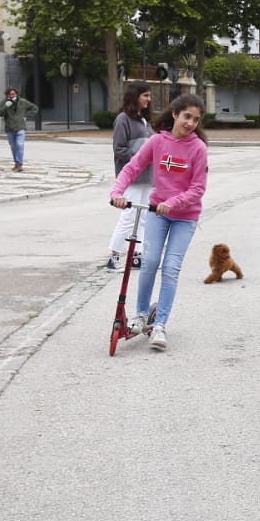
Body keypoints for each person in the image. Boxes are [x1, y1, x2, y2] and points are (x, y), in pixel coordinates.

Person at [109, 93, 208, 353]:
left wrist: (174, 203)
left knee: (171, 268)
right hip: (157, 211)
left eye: (195, 120)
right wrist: (117, 193)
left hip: (185, 217)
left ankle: (160, 324)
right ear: (175, 114)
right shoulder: (157, 142)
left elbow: (198, 189)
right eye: (187, 116)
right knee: (150, 261)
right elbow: (131, 167)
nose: (190, 123)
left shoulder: (198, 148)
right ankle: (141, 315)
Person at [105, 81, 153, 271]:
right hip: (133, 177)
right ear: (135, 97)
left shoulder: (144, 120)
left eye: (149, 95)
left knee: (142, 218)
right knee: (129, 216)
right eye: (146, 95)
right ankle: (114, 257)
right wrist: (141, 158)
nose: (149, 99)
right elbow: (119, 149)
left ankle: (136, 256)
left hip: (148, 177)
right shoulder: (123, 119)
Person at [0, 88, 39, 171]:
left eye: (13, 94)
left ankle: (19, 163)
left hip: (20, 127)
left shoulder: (22, 101)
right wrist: (5, 106)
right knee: (13, 146)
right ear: (7, 95)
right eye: (10, 94)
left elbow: (34, 108)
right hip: (10, 128)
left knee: (19, 145)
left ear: (16, 94)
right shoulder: (4, 102)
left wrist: (26, 115)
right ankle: (16, 163)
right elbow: (0, 113)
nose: (12, 96)